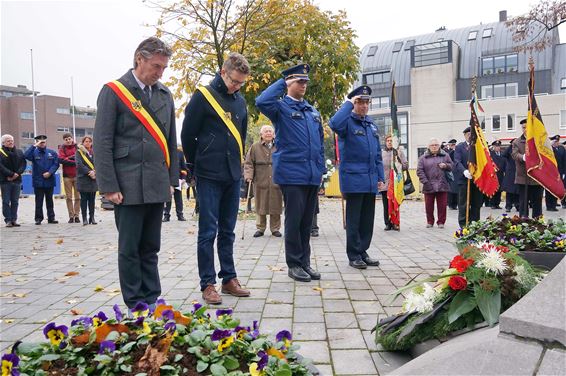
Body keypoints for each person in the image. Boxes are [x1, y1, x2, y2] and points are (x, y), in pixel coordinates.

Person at [93, 37, 179, 310]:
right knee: (129, 248)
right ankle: (135, 302)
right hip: (127, 182)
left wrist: (171, 181)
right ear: (139, 59)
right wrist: (108, 185)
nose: (160, 72)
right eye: (156, 66)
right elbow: (102, 141)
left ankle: (152, 297)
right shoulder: (115, 91)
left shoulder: (165, 94)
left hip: (156, 181)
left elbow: (170, 140)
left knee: (151, 246)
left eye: (164, 67)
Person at [181, 52, 251, 305]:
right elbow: (187, 134)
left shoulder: (240, 101)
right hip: (209, 173)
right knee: (208, 231)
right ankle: (207, 283)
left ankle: (229, 278)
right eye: (234, 81)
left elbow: (241, 135)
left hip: (232, 174)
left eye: (241, 83)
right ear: (223, 72)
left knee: (228, 231)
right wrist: (193, 165)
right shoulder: (203, 96)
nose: (237, 86)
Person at [256, 63, 325, 283]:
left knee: (307, 221)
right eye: (299, 81)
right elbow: (261, 101)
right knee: (294, 220)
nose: (303, 85)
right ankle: (294, 264)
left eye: (305, 81)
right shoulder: (281, 108)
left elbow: (319, 144)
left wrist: (321, 172)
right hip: (292, 173)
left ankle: (305, 262)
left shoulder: (312, 111)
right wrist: (281, 83)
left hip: (312, 174)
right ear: (289, 83)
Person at [329, 85, 384, 269]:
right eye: (360, 102)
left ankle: (362, 251)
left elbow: (377, 154)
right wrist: (347, 104)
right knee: (354, 220)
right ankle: (353, 254)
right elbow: (334, 124)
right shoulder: (346, 123)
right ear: (354, 103)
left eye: (367, 102)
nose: (364, 106)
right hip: (354, 180)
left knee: (367, 219)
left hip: (369, 180)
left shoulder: (370, 125)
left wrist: (381, 177)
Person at [244, 125, 283, 238]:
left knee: (276, 204)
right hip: (260, 180)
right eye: (266, 131)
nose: (268, 133)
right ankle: (260, 228)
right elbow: (248, 163)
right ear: (261, 134)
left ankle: (275, 228)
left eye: (270, 131)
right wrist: (249, 176)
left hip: (276, 180)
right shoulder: (255, 147)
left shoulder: (279, 146)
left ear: (274, 134)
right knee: (261, 204)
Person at [416, 138, 453, 228]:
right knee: (429, 206)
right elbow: (419, 171)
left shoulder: (445, 155)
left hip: (442, 184)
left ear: (439, 146)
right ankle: (430, 221)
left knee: (442, 205)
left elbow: (452, 166)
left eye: (436, 145)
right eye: (432, 145)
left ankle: (441, 222)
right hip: (428, 185)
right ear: (428, 147)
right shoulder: (423, 158)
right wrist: (425, 182)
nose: (434, 147)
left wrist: (446, 166)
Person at [24, 135, 60, 225]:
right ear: (37, 142)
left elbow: (56, 164)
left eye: (43, 142)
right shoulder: (34, 152)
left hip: (49, 180)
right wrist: (34, 146)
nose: (42, 143)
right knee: (39, 201)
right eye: (40, 142)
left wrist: (50, 172)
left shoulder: (52, 152)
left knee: (49, 200)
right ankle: (38, 218)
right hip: (38, 180)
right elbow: (26, 156)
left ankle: (51, 218)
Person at [512, 119, 543, 218]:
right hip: (523, 177)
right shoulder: (517, 142)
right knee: (523, 203)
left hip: (537, 178)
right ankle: (524, 223)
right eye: (523, 127)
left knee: (537, 203)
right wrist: (523, 157)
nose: (525, 129)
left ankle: (538, 223)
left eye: (527, 127)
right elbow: (515, 154)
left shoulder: (538, 140)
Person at [453, 127, 483, 228]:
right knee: (464, 204)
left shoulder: (479, 146)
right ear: (465, 135)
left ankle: (475, 223)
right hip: (464, 180)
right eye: (468, 135)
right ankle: (464, 225)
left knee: (476, 203)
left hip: (477, 179)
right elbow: (457, 161)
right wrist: (464, 171)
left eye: (472, 135)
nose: (470, 137)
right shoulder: (460, 147)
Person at [379, 135, 407, 231]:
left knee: (396, 203)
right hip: (385, 184)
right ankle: (387, 223)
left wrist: (399, 163)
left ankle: (395, 223)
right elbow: (378, 167)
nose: (390, 142)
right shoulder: (381, 153)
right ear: (385, 142)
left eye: (391, 141)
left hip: (396, 183)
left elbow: (405, 166)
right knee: (386, 205)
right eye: (388, 141)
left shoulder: (399, 152)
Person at [0, 134, 26, 227]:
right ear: (3, 143)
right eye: (8, 141)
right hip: (5, 181)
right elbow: (1, 167)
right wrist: (11, 174)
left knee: (15, 201)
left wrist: (17, 174)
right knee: (6, 201)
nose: (11, 142)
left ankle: (14, 219)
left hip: (17, 180)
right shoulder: (1, 152)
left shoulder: (19, 152)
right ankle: (8, 220)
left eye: (11, 140)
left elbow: (23, 164)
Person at [58, 133, 80, 223]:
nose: (68, 140)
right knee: (69, 197)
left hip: (77, 175)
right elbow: (61, 160)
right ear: (64, 140)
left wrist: (68, 159)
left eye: (69, 138)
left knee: (78, 197)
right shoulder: (62, 148)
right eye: (66, 139)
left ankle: (77, 215)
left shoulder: (77, 147)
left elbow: (79, 159)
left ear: (72, 139)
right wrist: (72, 159)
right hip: (67, 176)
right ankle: (71, 216)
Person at [75, 136, 97, 225]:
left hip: (93, 179)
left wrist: (95, 172)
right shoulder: (79, 152)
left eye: (89, 141)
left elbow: (98, 162)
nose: (88, 143)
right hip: (83, 178)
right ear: (83, 142)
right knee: (84, 200)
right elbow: (79, 164)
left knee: (92, 200)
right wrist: (89, 172)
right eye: (86, 141)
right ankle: (84, 218)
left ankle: (92, 217)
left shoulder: (94, 152)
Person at [163, 149, 188, 222]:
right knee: (168, 198)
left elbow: (184, 168)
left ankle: (180, 215)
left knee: (178, 199)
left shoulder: (180, 153)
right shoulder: (164, 151)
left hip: (178, 179)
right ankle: (166, 215)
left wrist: (183, 178)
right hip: (167, 179)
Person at [544, 135, 565, 211]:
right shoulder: (549, 150)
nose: (556, 143)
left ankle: (553, 204)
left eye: (557, 141)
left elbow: (563, 161)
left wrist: (563, 173)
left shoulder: (561, 149)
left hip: (558, 172)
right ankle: (549, 206)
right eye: (555, 141)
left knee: (556, 188)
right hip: (549, 173)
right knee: (549, 189)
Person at [501, 140, 519, 212]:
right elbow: (504, 155)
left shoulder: (518, 149)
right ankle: (508, 206)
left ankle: (518, 205)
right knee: (509, 191)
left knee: (517, 191)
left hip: (518, 172)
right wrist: (510, 146)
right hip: (510, 173)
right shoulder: (509, 150)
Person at [489, 140, 506, 209]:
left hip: (501, 174)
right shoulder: (490, 154)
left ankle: (497, 203)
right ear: (493, 147)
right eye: (496, 146)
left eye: (499, 146)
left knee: (499, 189)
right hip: (493, 174)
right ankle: (492, 203)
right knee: (493, 189)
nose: (498, 147)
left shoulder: (502, 154)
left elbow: (504, 163)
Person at [446, 139, 459, 210]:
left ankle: (455, 204)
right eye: (452, 144)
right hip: (450, 172)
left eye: (454, 144)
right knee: (451, 189)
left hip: (457, 172)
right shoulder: (447, 151)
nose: (453, 146)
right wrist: (453, 150)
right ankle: (450, 204)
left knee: (456, 189)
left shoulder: (457, 151)